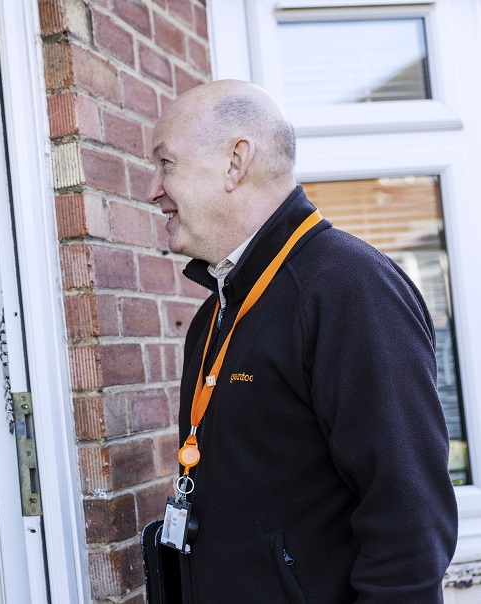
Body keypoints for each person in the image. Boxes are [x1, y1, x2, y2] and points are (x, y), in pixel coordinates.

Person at [145, 79, 457, 602]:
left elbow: (409, 523)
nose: (152, 189)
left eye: (165, 164)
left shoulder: (351, 288)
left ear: (235, 162)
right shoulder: (214, 313)